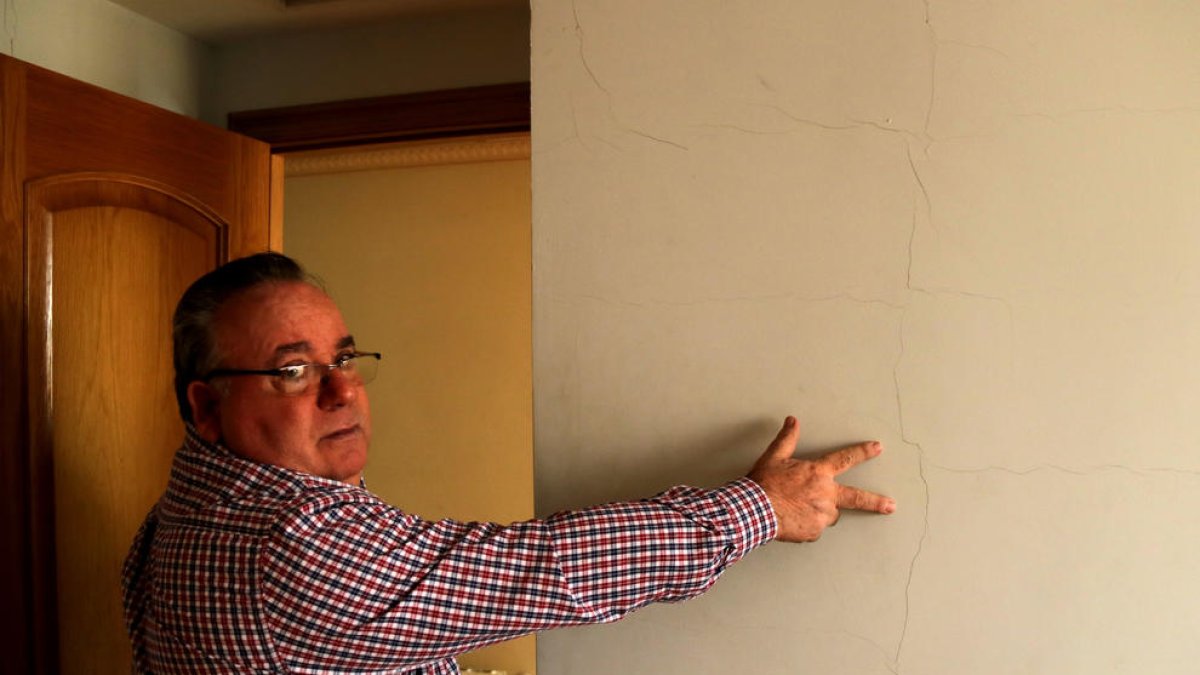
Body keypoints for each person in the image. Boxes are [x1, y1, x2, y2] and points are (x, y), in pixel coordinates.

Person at [122, 252, 895, 674]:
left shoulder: (182, 514)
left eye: (346, 356)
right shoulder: (289, 544)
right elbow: (539, 568)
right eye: (294, 368)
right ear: (206, 406)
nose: (344, 388)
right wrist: (756, 508)